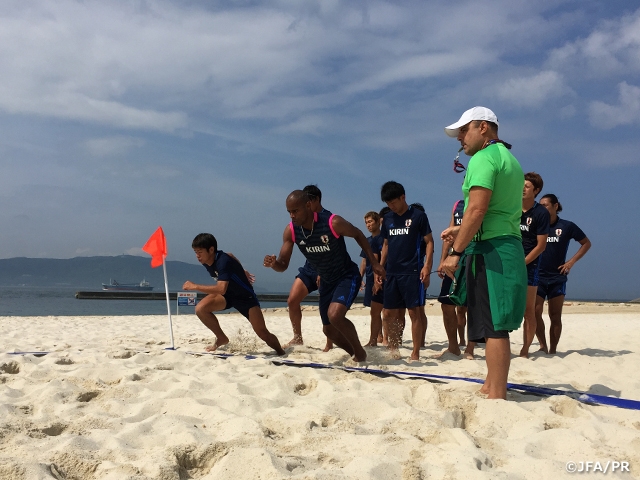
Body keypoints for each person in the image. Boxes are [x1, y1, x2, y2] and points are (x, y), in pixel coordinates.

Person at [440, 106, 527, 400]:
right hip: (504, 244)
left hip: (493, 250)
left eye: (464, 130)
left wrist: (455, 251)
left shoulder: (483, 158)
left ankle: (497, 395)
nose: (460, 138)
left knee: (495, 327)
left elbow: (477, 209)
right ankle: (490, 386)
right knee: (493, 324)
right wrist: (460, 230)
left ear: (483, 127)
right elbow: (496, 211)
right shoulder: (510, 159)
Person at [264, 190, 385, 361]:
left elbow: (358, 233)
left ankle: (360, 354)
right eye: (289, 212)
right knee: (328, 331)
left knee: (335, 315)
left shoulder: (332, 222)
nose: (292, 216)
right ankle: (353, 352)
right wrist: (274, 263)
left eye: (295, 211)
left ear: (308, 206)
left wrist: (374, 262)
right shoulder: (291, 231)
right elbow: (283, 265)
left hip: (346, 276)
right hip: (326, 280)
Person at [183, 233, 285, 356]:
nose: (197, 256)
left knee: (263, 333)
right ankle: (221, 338)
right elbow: (231, 254)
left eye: (199, 252)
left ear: (211, 250)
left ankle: (281, 352)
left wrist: (195, 286)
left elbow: (221, 288)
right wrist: (242, 270)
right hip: (227, 296)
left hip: (245, 298)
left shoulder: (223, 261)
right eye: (195, 252)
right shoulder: (207, 260)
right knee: (200, 309)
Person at [378, 181, 434, 360]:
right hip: (391, 272)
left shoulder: (418, 216)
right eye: (388, 204)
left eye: (393, 202)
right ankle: (393, 348)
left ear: (403, 197)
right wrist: (380, 266)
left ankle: (416, 352)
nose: (391, 206)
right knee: (388, 313)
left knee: (414, 312)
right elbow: (386, 244)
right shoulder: (387, 219)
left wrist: (427, 266)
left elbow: (430, 242)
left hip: (412, 271)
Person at [535, 194, 591, 354]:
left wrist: (571, 262)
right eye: (540, 205)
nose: (542, 208)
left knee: (555, 315)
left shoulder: (567, 226)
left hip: (557, 277)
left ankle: (553, 350)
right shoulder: (537, 226)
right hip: (537, 276)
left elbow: (586, 243)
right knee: (535, 312)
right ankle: (543, 345)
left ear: (555, 206)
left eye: (545, 205)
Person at [282, 185, 334, 352]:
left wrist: (322, 271)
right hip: (309, 267)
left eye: (310, 199)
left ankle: (329, 343)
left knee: (325, 306)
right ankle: (297, 338)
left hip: (328, 269)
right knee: (292, 300)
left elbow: (335, 250)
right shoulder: (300, 220)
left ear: (316, 200)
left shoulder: (328, 219)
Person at [437, 199, 475, 358]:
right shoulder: (457, 205)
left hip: (474, 255)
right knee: (446, 304)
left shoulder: (482, 202)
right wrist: (442, 260)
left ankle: (470, 348)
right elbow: (449, 235)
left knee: (473, 305)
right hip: (454, 259)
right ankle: (453, 346)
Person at [519, 172, 550, 358]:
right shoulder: (511, 207)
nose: (523, 189)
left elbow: (541, 246)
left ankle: (525, 349)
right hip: (509, 262)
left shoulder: (540, 213)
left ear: (536, 190)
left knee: (528, 310)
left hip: (529, 265)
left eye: (527, 186)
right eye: (521, 185)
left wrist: (523, 263)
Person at [359, 211, 384, 346]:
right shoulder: (367, 241)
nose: (368, 225)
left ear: (378, 221)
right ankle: (379, 336)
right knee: (373, 309)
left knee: (384, 309)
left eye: (370, 222)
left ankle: (384, 338)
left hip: (381, 277)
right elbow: (364, 262)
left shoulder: (383, 239)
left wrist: (377, 278)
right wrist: (359, 278)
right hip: (369, 277)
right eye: (366, 222)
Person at [411, 202, 430, 348]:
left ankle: (421, 341)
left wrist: (427, 270)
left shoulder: (423, 234)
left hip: (418, 272)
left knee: (419, 309)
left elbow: (430, 249)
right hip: (404, 272)